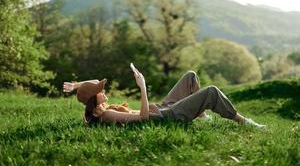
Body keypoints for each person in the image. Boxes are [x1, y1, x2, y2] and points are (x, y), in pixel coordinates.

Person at [63, 66, 265, 128]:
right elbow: (142, 117)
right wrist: (142, 87)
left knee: (190, 76)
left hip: (160, 108)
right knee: (211, 91)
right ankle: (243, 121)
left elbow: (95, 81)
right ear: (94, 99)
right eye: (101, 91)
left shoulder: (100, 107)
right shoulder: (106, 115)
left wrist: (76, 85)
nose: (104, 92)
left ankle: (200, 113)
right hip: (164, 116)